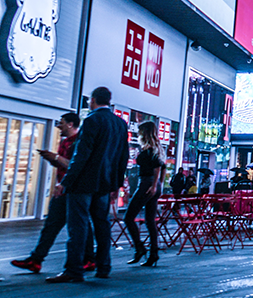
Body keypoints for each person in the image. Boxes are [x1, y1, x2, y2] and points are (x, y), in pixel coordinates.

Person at [50, 87, 129, 283]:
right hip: (105, 183)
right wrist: (116, 184)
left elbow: (81, 154)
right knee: (102, 225)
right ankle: (104, 267)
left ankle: (74, 270)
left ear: (92, 100)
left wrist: (66, 182)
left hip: (84, 183)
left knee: (78, 226)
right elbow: (123, 157)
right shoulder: (120, 123)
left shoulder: (92, 120)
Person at [11, 113, 95, 275]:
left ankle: (88, 260)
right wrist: (53, 159)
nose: (58, 126)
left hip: (73, 190)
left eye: (61, 123)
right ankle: (36, 260)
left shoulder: (79, 142)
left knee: (79, 226)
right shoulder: (65, 142)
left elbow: (76, 165)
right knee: (53, 226)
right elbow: (65, 164)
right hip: (63, 189)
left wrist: (56, 157)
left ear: (70, 124)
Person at [125, 121, 166, 267]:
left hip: (147, 184)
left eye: (140, 132)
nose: (138, 134)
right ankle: (153, 253)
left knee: (128, 217)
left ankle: (139, 248)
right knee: (150, 220)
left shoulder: (149, 150)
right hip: (153, 184)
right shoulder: (158, 148)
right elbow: (162, 168)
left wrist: (154, 186)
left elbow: (156, 168)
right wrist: (159, 185)